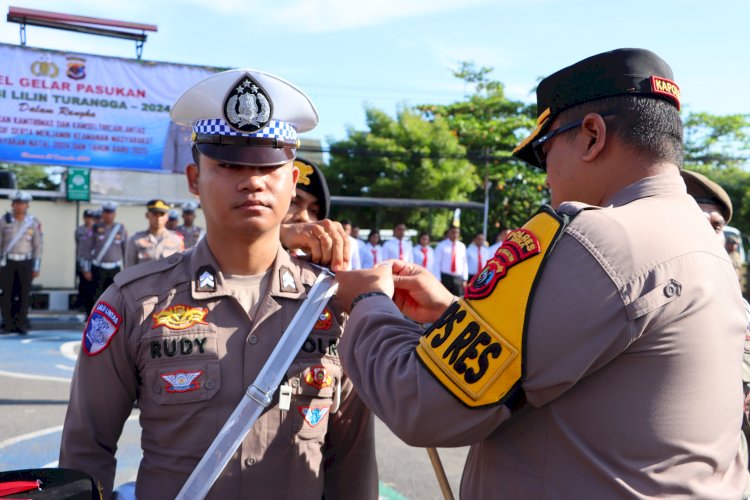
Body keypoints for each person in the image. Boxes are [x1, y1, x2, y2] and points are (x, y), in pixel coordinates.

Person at [334, 48, 747, 497]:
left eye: (546, 152)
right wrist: (455, 314)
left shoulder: (599, 238)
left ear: (591, 136)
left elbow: (422, 402)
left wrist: (369, 303)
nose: (547, 179)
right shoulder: (702, 238)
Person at [59, 67, 377, 499]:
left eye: (268, 165)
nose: (252, 180)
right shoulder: (135, 302)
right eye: (228, 164)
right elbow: (86, 449)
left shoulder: (334, 306)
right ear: (194, 180)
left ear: (292, 181)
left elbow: (352, 459)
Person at [0, 190, 43, 335]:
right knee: (7, 294)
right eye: (17, 203)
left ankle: (21, 324)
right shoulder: (4, 220)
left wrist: (36, 266)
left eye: (23, 203)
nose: (20, 206)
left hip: (26, 262)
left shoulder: (33, 222)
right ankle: (7, 324)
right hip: (8, 262)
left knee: (24, 295)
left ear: (27, 205)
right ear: (12, 204)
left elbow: (38, 245)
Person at [80, 202, 128, 313]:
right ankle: (94, 319)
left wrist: (127, 269)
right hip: (98, 267)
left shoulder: (120, 228)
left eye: (111, 212)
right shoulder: (95, 228)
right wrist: (86, 269)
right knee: (96, 296)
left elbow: (126, 250)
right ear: (103, 213)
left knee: (114, 297)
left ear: (115, 214)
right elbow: (86, 249)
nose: (109, 215)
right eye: (106, 212)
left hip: (115, 268)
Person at [123, 199, 185, 267]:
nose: (158, 218)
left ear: (167, 216)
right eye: (155, 214)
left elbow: (181, 267)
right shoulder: (136, 240)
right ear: (147, 215)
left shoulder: (176, 240)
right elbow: (129, 269)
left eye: (162, 214)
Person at [433, 225, 467, 295]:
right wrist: (438, 279)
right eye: (453, 232)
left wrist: (465, 279)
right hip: (445, 277)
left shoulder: (462, 246)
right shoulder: (441, 246)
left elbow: (464, 263)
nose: (455, 234)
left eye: (457, 232)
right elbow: (437, 263)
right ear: (448, 233)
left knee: (458, 301)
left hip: (458, 278)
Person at [74, 209, 97, 314]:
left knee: (93, 287)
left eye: (91, 218)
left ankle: (91, 307)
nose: (89, 220)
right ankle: (82, 306)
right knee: (83, 285)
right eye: (87, 217)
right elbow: (83, 242)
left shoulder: (97, 229)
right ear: (84, 218)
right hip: (82, 260)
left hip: (94, 261)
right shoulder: (80, 230)